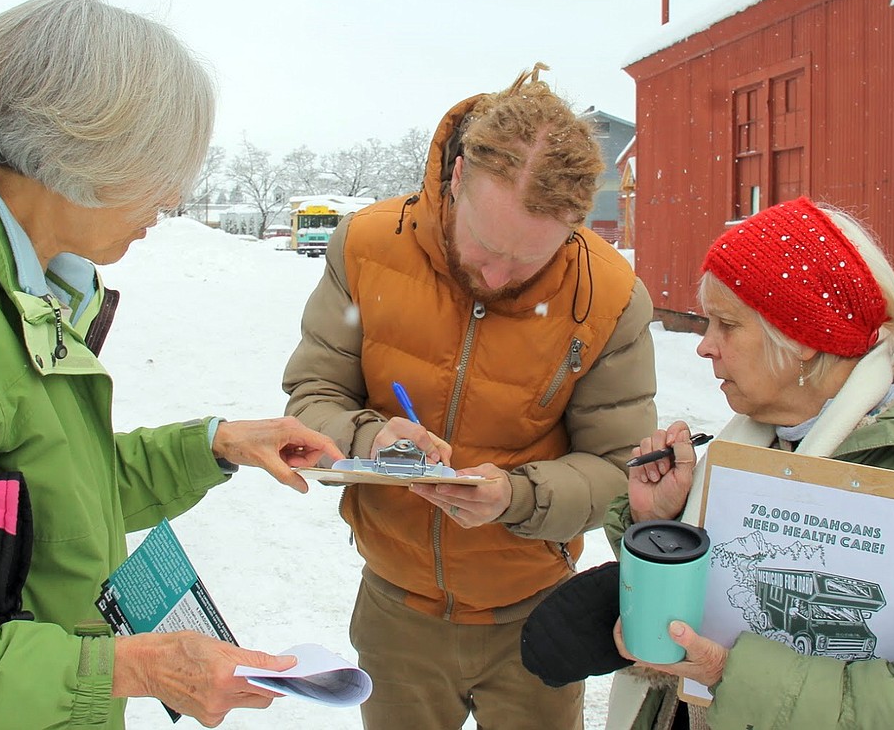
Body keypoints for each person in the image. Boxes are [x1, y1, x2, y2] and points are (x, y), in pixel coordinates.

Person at [0, 0, 343, 729]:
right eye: (158, 165)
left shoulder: (23, 285)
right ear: (81, 150)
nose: (174, 196)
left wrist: (213, 444)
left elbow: (50, 504)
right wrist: (133, 666)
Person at [282, 64, 658, 729]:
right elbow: (311, 401)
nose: (495, 275)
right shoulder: (368, 246)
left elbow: (620, 473)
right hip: (397, 616)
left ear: (573, 227)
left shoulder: (609, 297)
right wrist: (371, 440)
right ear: (457, 179)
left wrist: (516, 497)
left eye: (527, 261)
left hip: (535, 617)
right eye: (484, 244)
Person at [602, 197, 894, 730]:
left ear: (802, 337)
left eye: (726, 325)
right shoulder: (753, 450)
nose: (704, 347)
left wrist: (731, 674)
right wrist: (660, 525)